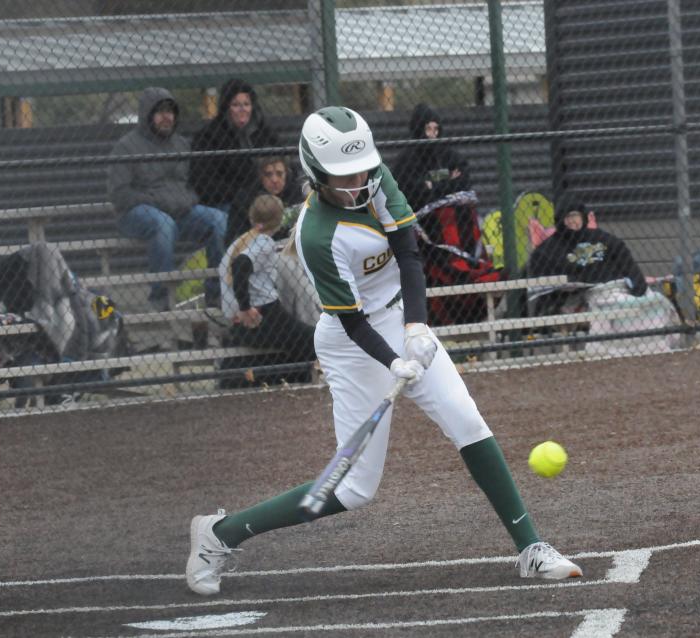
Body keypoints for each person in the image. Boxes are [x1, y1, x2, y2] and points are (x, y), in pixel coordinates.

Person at [185, 106, 582, 596]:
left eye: (361, 168)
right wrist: (392, 360)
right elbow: (351, 321)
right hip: (352, 345)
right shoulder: (317, 235)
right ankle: (219, 534)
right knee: (353, 488)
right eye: (343, 175)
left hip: (401, 318)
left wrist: (415, 327)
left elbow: (409, 254)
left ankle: (531, 548)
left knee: (467, 420)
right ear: (316, 173)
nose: (357, 180)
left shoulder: (377, 178)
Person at [108, 87, 227, 311]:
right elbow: (119, 195)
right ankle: (160, 299)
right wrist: (157, 200)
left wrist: (186, 199)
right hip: (137, 214)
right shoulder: (126, 146)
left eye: (170, 111)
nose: (167, 116)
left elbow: (194, 185)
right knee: (162, 224)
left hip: (180, 213)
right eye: (160, 111)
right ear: (147, 114)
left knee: (219, 220)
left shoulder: (182, 145)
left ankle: (215, 293)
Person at [219, 193, 315, 376]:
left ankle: (299, 379)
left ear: (251, 217)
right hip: (264, 318)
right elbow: (240, 265)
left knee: (302, 343)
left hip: (253, 320)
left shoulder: (241, 241)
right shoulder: (264, 243)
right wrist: (245, 307)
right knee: (315, 340)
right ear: (280, 221)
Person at [526, 198, 648, 315]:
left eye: (575, 216)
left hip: (614, 290)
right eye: (567, 217)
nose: (572, 221)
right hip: (574, 298)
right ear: (560, 220)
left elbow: (629, 265)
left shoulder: (603, 239)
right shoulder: (547, 249)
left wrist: (638, 287)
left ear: (583, 217)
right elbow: (543, 283)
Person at [189, 78, 281, 212]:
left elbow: (283, 164)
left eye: (247, 104)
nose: (242, 109)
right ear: (227, 107)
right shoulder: (209, 136)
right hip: (229, 202)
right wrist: (241, 194)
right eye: (236, 105)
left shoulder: (265, 132)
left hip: (268, 196)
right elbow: (205, 182)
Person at [391, 103, 471, 212]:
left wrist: (431, 184)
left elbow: (463, 179)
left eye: (436, 129)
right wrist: (447, 178)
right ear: (419, 129)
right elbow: (414, 193)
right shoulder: (406, 160)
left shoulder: (447, 154)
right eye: (428, 129)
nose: (433, 134)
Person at [225, 155, 306, 247]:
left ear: (286, 173)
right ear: (260, 176)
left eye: (279, 174)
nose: (274, 180)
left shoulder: (296, 193)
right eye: (268, 174)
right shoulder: (246, 198)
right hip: (257, 248)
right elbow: (234, 237)